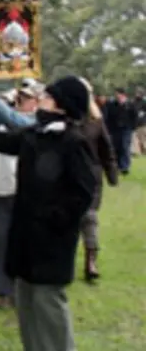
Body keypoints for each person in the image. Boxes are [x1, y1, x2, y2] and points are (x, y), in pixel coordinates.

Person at [0, 76, 97, 351]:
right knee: (27, 305)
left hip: (51, 242)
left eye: (48, 94)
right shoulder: (34, 134)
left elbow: (83, 193)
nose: (42, 97)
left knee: (49, 307)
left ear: (62, 104)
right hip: (25, 238)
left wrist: (53, 220)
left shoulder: (72, 141)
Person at [0, 83, 40, 309]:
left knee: (24, 241)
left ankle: (24, 289)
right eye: (20, 97)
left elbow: (16, 122)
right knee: (0, 240)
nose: (22, 101)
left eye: (27, 97)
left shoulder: (34, 122)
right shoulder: (5, 117)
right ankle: (2, 291)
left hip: (24, 191)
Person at [78, 78, 118, 283]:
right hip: (67, 177)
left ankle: (90, 261)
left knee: (89, 217)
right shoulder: (66, 119)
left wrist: (111, 173)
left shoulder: (96, 121)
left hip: (91, 176)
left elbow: (106, 149)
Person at [104, 87, 137, 174]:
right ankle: (118, 165)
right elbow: (109, 117)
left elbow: (134, 116)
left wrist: (132, 127)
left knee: (124, 146)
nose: (116, 95)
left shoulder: (130, 104)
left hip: (126, 129)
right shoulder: (112, 104)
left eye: (117, 94)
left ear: (122, 94)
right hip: (115, 129)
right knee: (116, 147)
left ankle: (125, 166)